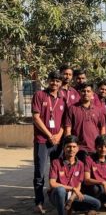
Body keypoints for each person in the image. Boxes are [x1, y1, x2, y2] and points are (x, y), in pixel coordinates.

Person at [32, 71, 66, 214]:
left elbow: (66, 122)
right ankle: (39, 202)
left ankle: (56, 199)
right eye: (53, 80)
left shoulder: (63, 98)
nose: (55, 83)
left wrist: (58, 135)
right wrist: (49, 135)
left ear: (61, 83)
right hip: (42, 141)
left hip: (57, 142)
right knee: (40, 172)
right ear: (49, 80)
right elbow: (36, 117)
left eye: (58, 81)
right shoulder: (40, 95)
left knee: (57, 172)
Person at [48, 135, 101, 215]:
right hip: (57, 196)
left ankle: (71, 206)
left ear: (78, 148)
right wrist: (73, 188)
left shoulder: (81, 164)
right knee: (61, 190)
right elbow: (52, 184)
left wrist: (71, 200)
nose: (71, 149)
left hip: (72, 195)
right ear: (64, 148)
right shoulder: (56, 162)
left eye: (74, 147)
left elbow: (78, 186)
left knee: (97, 204)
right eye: (68, 146)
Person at [65, 82, 106, 162]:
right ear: (79, 92)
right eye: (83, 91)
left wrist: (102, 144)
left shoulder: (98, 110)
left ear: (92, 93)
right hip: (78, 149)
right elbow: (68, 129)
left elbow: (103, 128)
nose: (86, 93)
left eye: (88, 91)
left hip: (95, 148)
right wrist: (70, 146)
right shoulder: (72, 108)